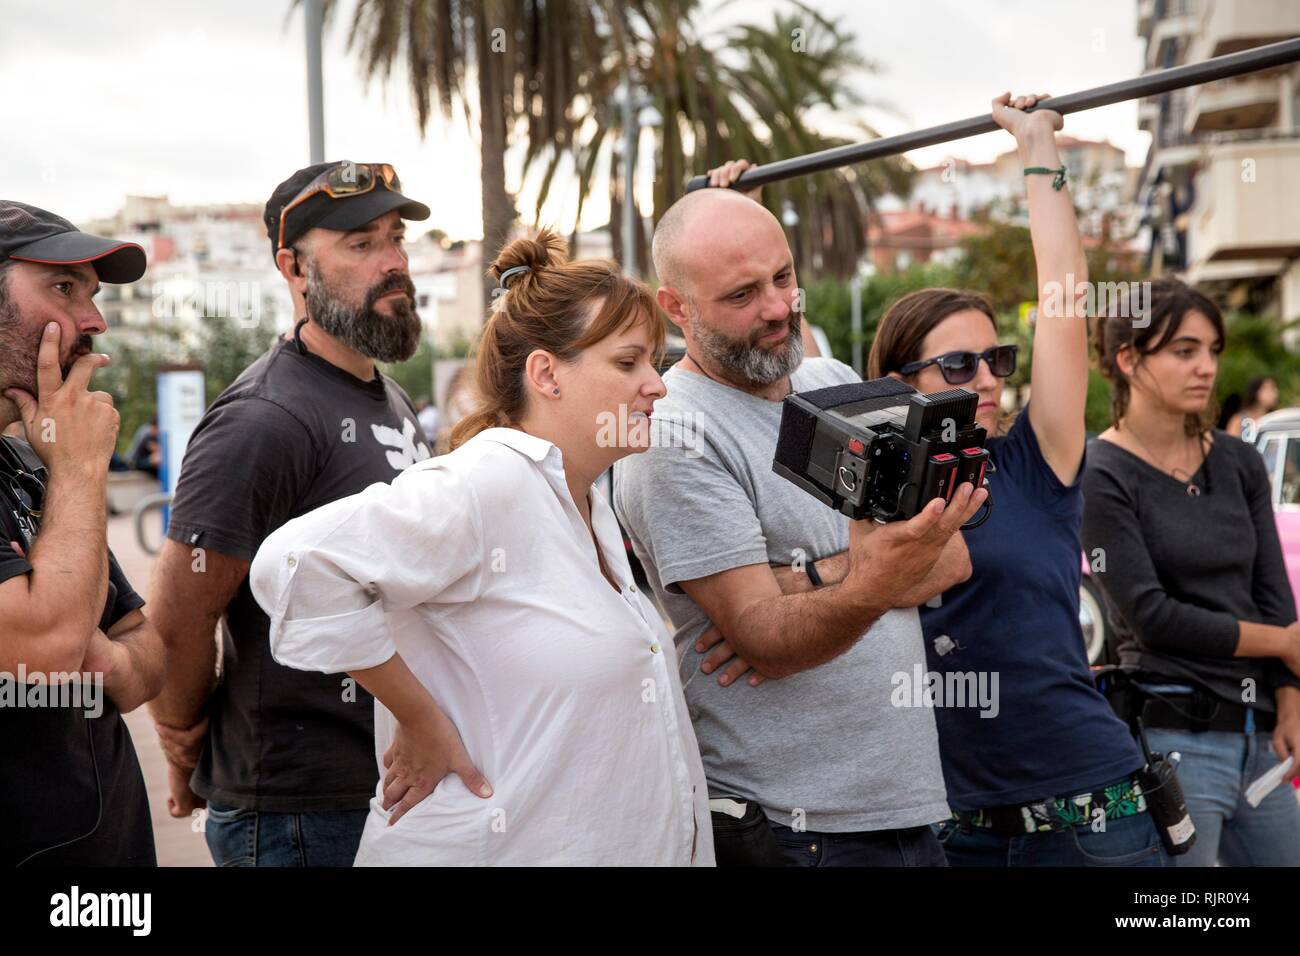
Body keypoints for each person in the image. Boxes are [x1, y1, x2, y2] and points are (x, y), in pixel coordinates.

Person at [249, 231, 713, 865]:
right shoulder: (489, 480)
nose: (657, 385)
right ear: (547, 373)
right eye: (629, 362)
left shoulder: (582, 498)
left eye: (654, 362)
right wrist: (419, 719)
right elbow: (296, 563)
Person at [613, 163, 985, 867]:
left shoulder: (833, 382)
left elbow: (951, 559)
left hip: (907, 812)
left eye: (783, 278)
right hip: (794, 832)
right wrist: (872, 576)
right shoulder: (673, 433)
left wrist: (803, 578)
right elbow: (768, 641)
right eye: (742, 294)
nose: (779, 308)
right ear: (676, 307)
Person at [867, 95, 1165, 866]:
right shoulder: (868, 490)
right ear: (899, 383)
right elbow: (774, 361)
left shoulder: (1035, 460)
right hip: (950, 830)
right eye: (960, 365)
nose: (989, 379)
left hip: (1090, 820)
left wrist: (1039, 151)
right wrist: (736, 209)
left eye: (996, 360)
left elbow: (1065, 298)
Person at [146, 162, 434, 867]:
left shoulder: (386, 398)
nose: (394, 263)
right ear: (293, 267)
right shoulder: (265, 418)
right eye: (360, 245)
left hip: (387, 789)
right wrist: (184, 733)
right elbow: (181, 613)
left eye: (396, 238)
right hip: (299, 815)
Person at [1085, 277, 1300, 866]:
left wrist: (1290, 703)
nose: (1206, 367)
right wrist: (1283, 644)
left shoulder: (1237, 461)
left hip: (1261, 736)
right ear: (1128, 359)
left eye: (1212, 351)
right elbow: (1151, 618)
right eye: (1184, 351)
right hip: (1175, 732)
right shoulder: (1102, 472)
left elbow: (1271, 589)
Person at [0, 200, 164, 865]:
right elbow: (42, 652)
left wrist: (108, 659)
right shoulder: (63, 467)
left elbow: (144, 652)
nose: (93, 320)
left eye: (92, 296)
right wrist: (81, 465)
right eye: (64, 289)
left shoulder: (31, 468)